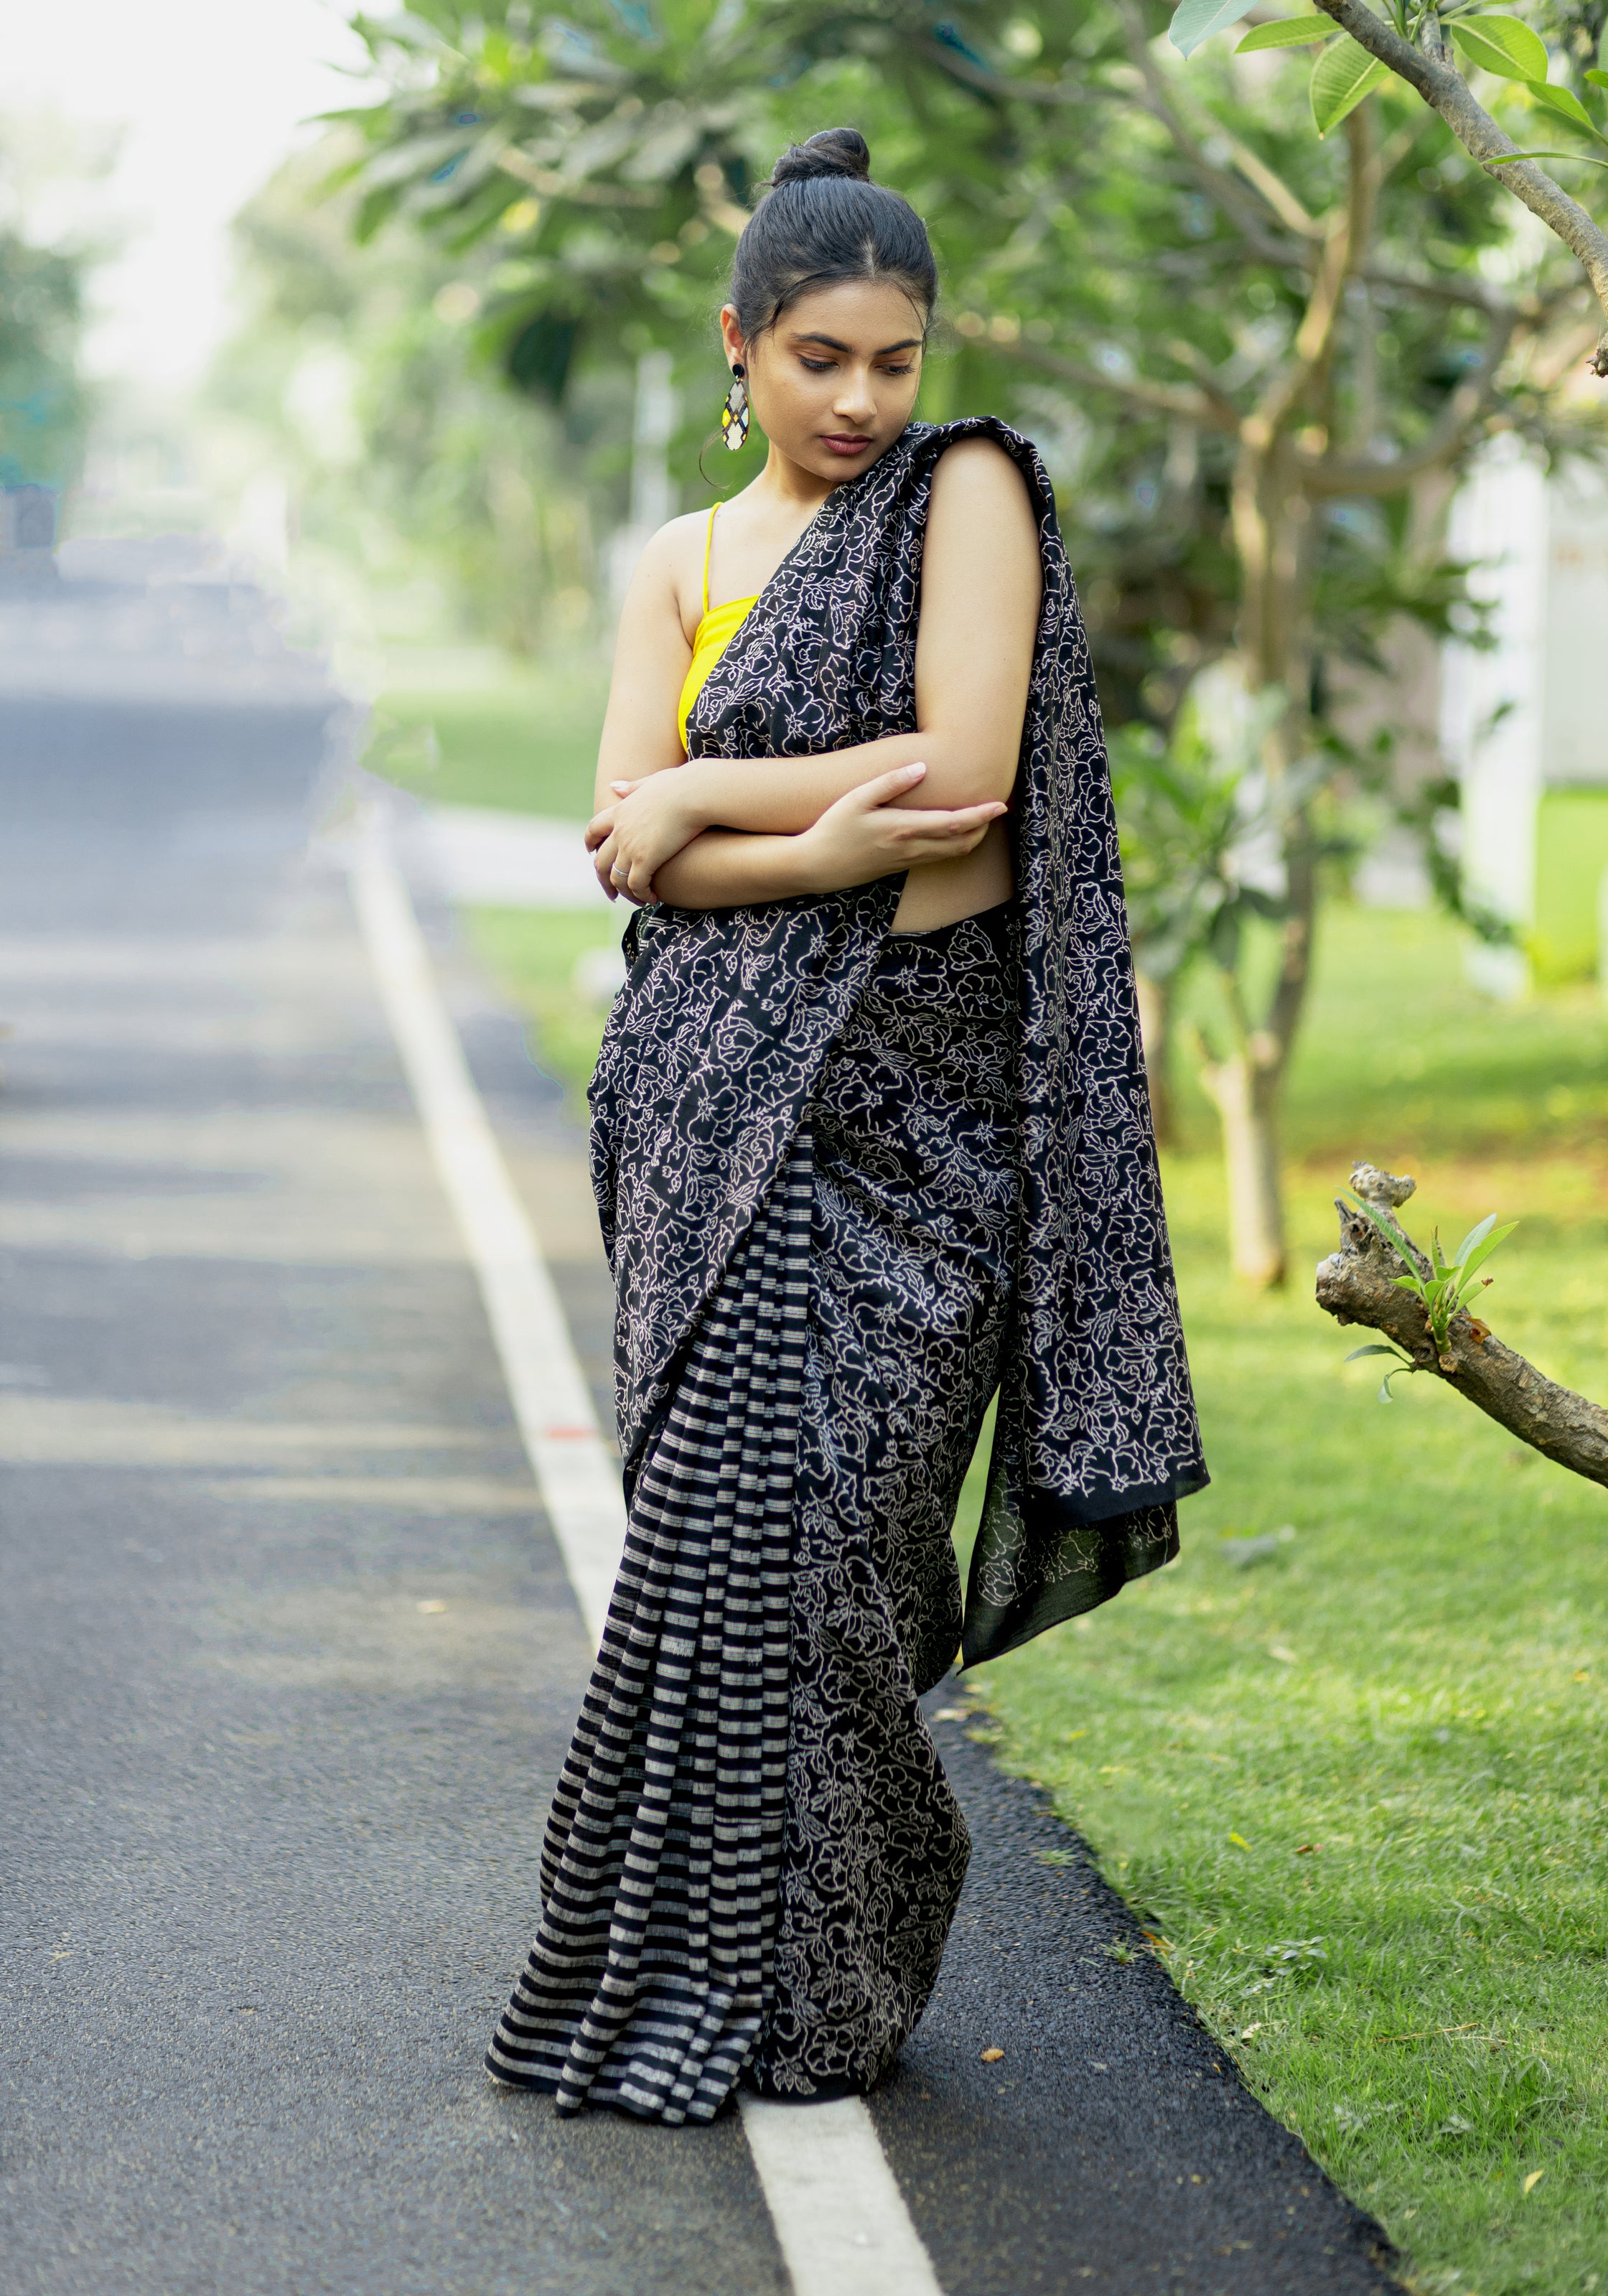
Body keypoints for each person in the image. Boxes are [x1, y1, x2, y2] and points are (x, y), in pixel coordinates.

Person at [486, 126, 1206, 2124]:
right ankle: (699, 1970)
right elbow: (632, 868)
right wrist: (780, 835)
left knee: (846, 1555)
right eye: (819, 359)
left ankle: (845, 1962)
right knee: (710, 1558)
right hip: (714, 1113)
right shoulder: (682, 565)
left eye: (890, 358)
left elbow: (958, 781)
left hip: (930, 1121)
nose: (860, 400)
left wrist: (714, 805)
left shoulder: (964, 489)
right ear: (739, 344)